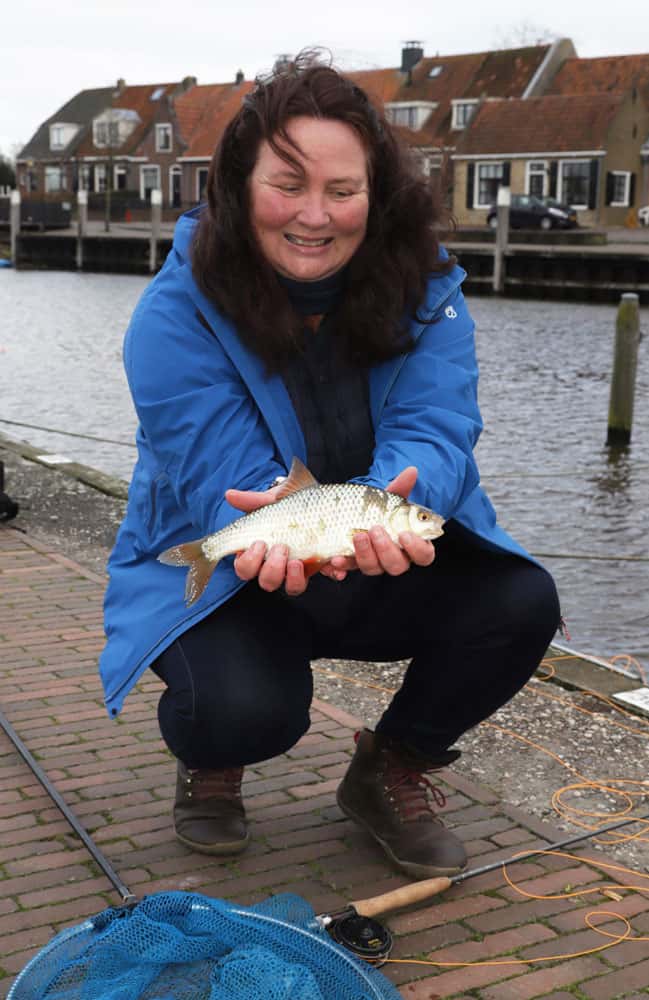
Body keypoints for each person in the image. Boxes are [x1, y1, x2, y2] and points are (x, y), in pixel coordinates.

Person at [99, 53, 560, 880]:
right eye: (286, 184)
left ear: (374, 197)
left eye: (341, 191)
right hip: (243, 561)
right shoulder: (171, 313)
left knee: (522, 600)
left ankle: (391, 766)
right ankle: (213, 761)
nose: (314, 215)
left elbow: (438, 425)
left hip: (379, 547)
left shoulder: (429, 289)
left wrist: (397, 496)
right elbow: (214, 469)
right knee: (242, 712)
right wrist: (265, 517)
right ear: (238, 185)